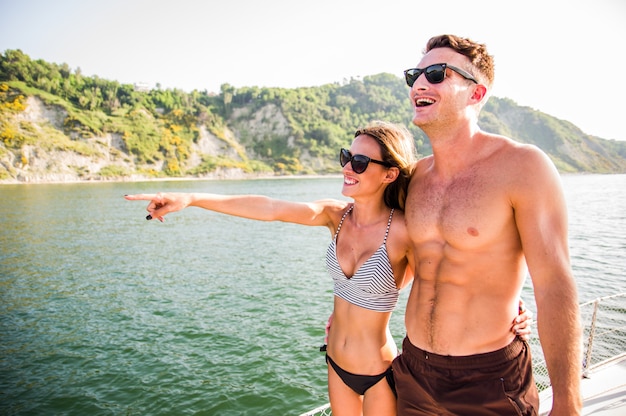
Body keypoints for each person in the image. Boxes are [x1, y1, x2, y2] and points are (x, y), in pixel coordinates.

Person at [125, 121, 533, 416]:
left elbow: (457, 274)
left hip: (379, 373)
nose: (346, 168)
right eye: (345, 157)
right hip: (335, 364)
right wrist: (192, 198)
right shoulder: (334, 216)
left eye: (359, 162)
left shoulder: (406, 231)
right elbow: (267, 207)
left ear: (389, 173)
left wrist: (513, 310)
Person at [392, 34, 582, 415]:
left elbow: (554, 284)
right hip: (413, 371)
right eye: (415, 74)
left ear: (476, 95)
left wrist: (568, 403)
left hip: (490, 380)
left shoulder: (523, 167)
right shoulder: (413, 178)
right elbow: (406, 263)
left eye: (436, 73)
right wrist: (352, 315)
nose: (419, 84)